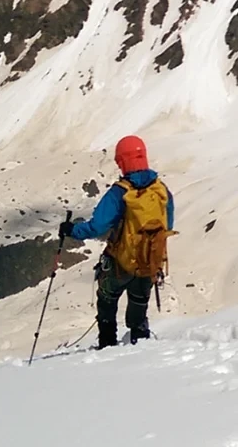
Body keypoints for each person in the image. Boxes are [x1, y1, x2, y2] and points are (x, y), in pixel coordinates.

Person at [60, 135, 177, 349]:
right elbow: (167, 225)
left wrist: (72, 230)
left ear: (122, 161)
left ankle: (107, 345)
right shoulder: (161, 191)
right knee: (139, 304)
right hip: (148, 263)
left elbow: (97, 226)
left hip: (120, 264)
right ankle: (139, 342)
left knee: (107, 298)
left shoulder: (119, 193)